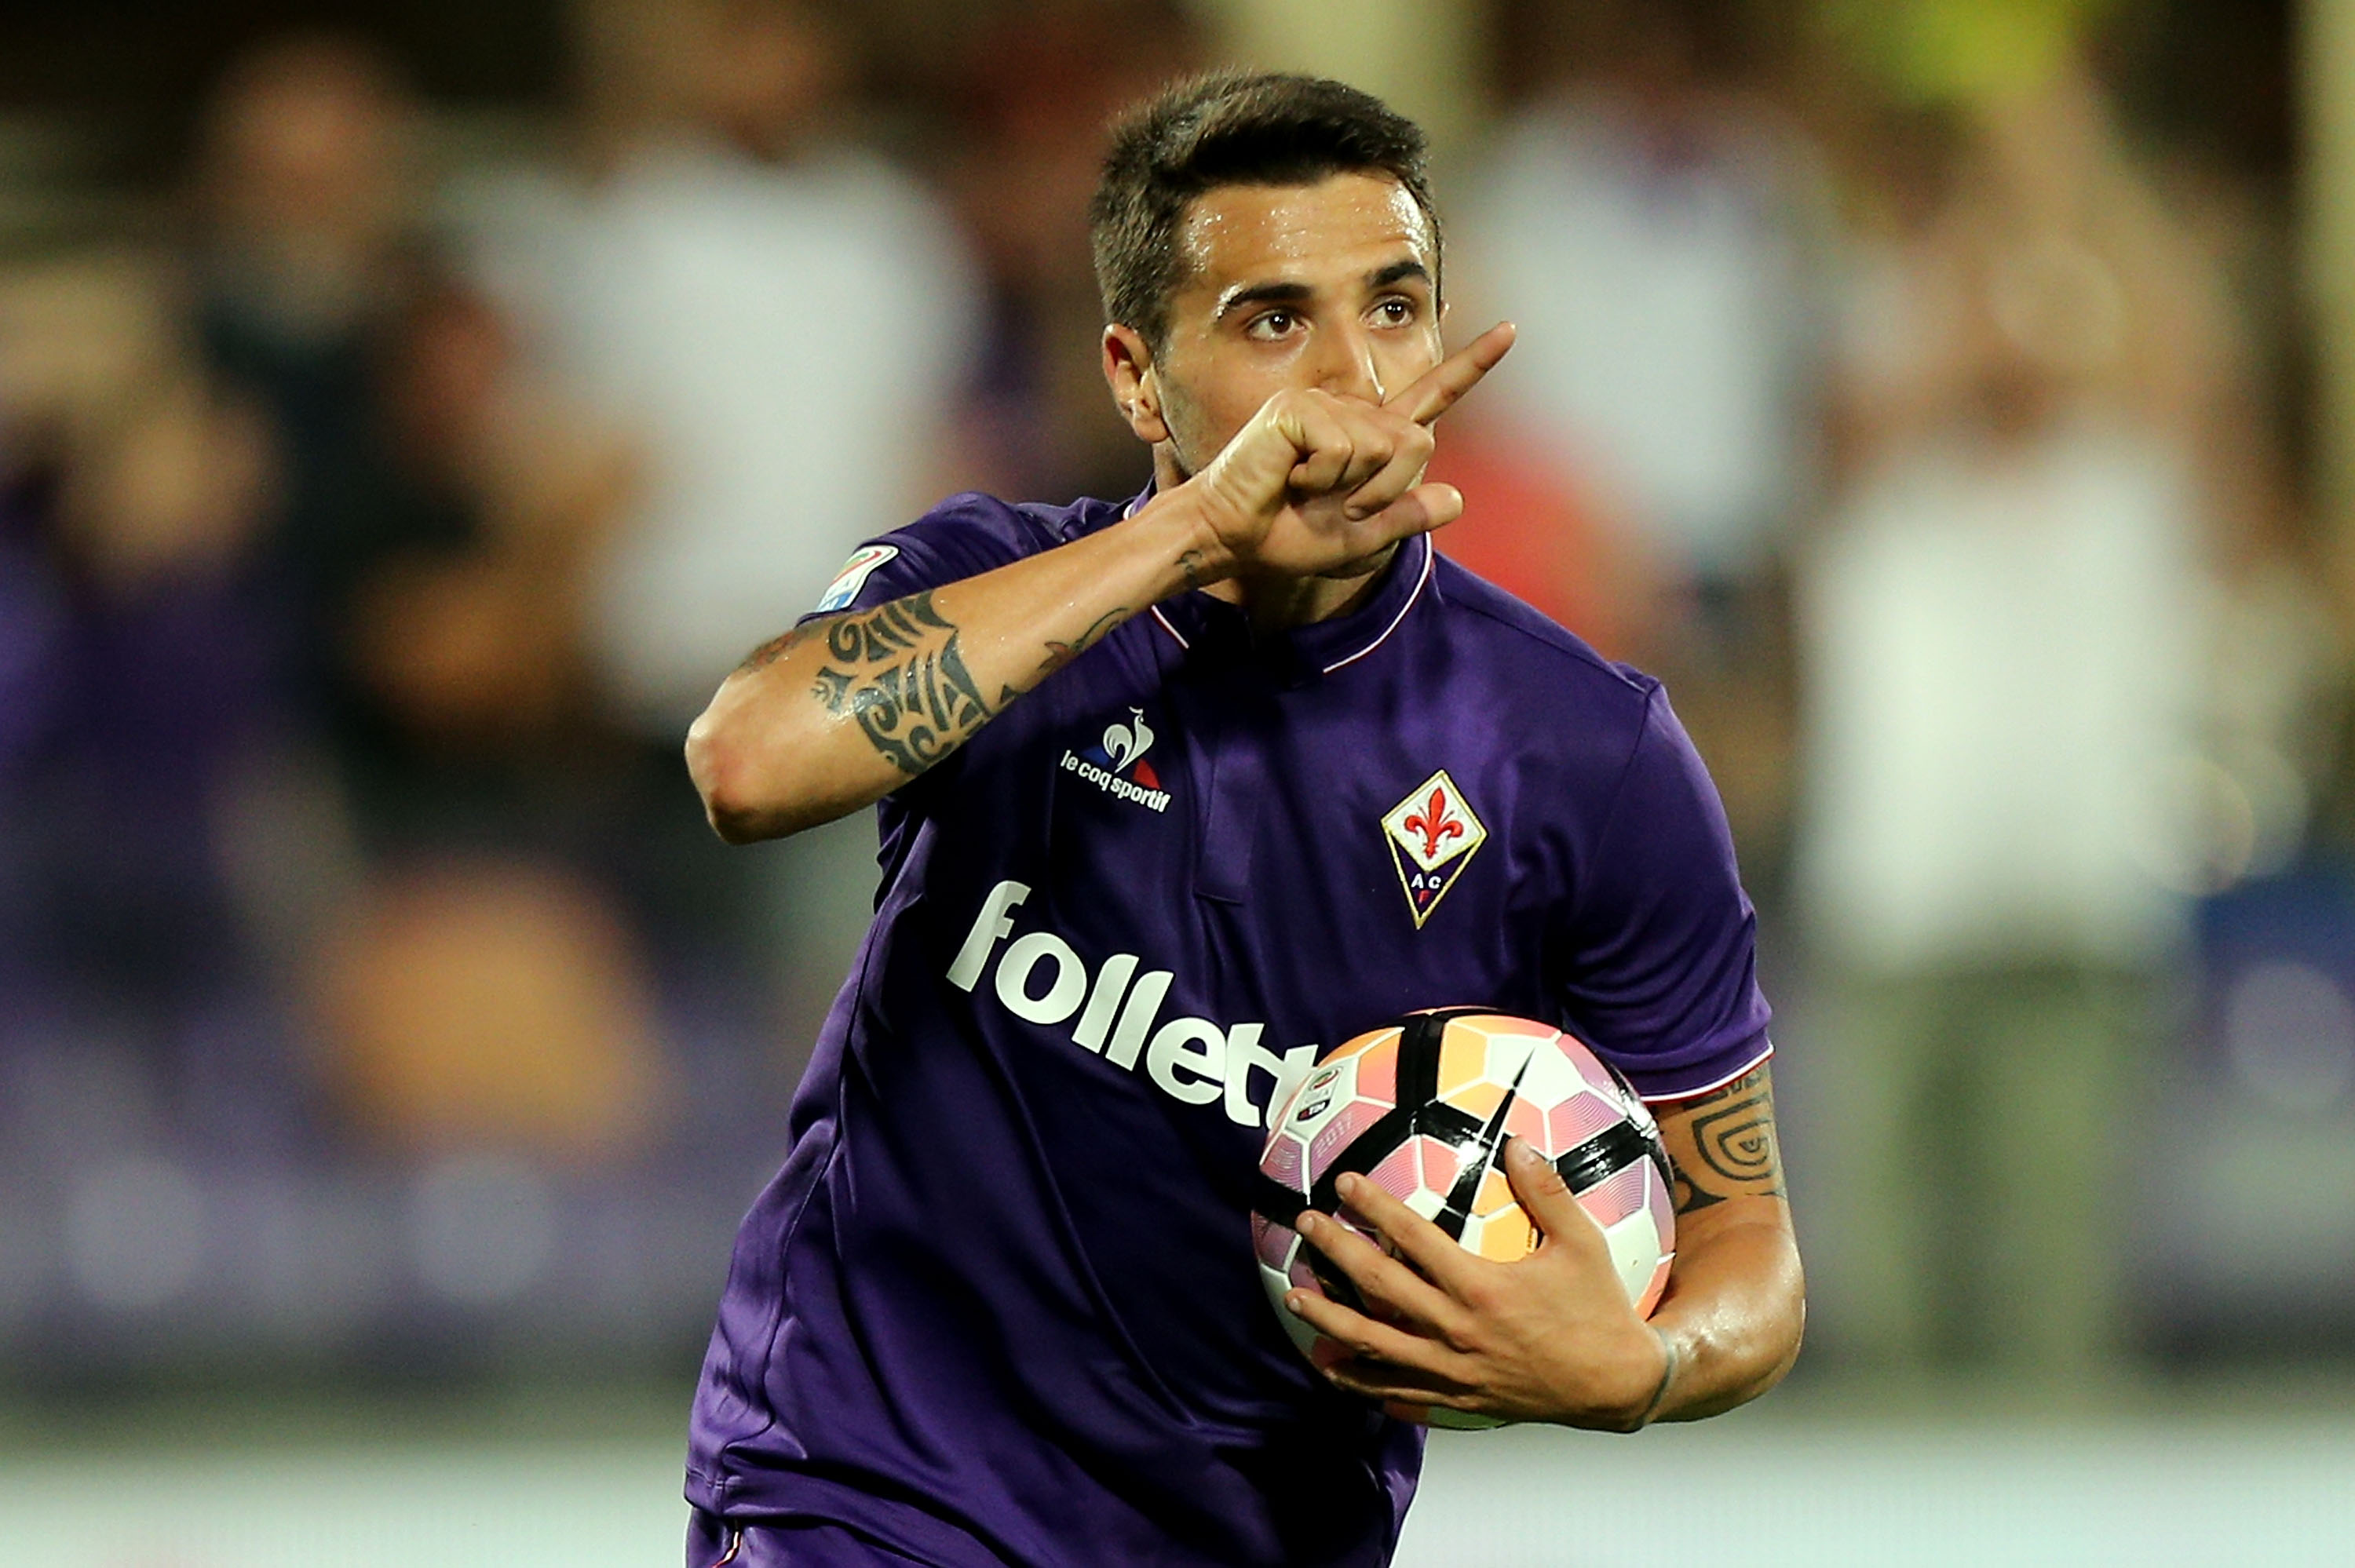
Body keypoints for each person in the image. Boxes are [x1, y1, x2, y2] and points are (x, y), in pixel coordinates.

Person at [681, 72, 1804, 1567]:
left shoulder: (1586, 755)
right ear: (1138, 379)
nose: (1354, 376)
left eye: (1394, 308)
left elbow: (1751, 1253)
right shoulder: (994, 586)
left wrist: (1641, 1366)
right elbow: (747, 764)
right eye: (1276, 320)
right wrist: (1197, 529)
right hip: (866, 1489)